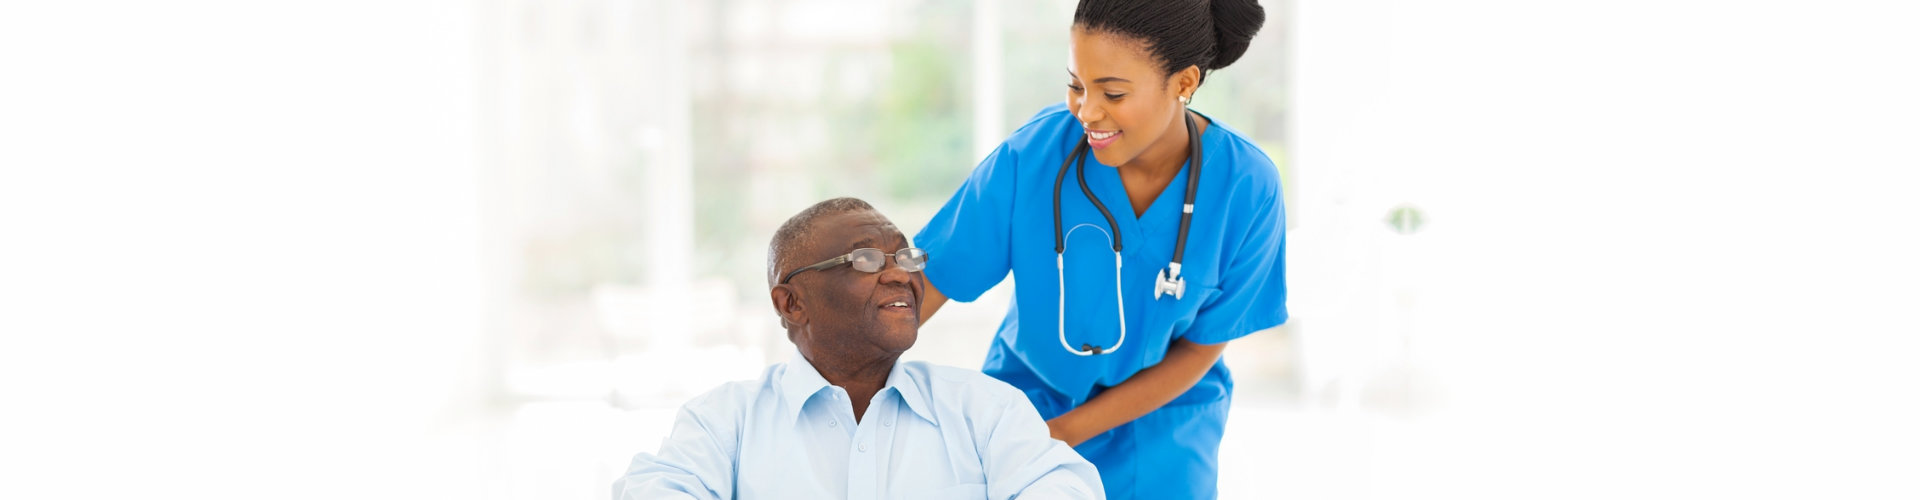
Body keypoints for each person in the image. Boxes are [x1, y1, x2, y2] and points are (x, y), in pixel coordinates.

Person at [912, 1, 1284, 498]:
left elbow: (1200, 348)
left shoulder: (1246, 187)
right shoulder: (1033, 157)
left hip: (1164, 429)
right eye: (1076, 85)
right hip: (1027, 411)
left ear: (1184, 83)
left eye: (1112, 92)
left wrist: (1062, 435)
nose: (1087, 111)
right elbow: (928, 285)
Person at [613, 198, 1104, 500]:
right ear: (791, 303)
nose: (900, 273)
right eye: (866, 258)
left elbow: (1062, 487)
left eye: (905, 255)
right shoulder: (724, 422)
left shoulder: (984, 410)